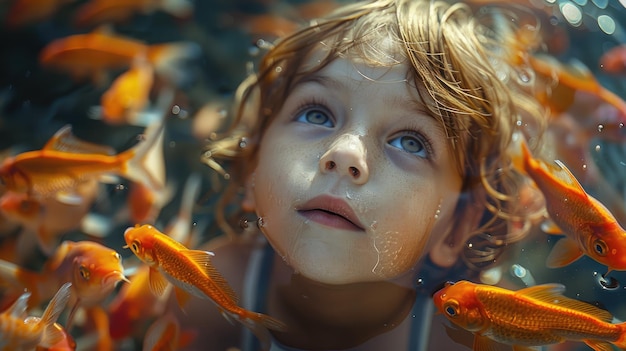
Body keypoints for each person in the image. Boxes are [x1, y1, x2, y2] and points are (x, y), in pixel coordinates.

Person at [180, 0, 548, 349]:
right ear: (252, 169)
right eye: (317, 114)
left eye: (411, 142)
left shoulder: (455, 339)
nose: (344, 154)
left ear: (457, 228)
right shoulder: (208, 288)